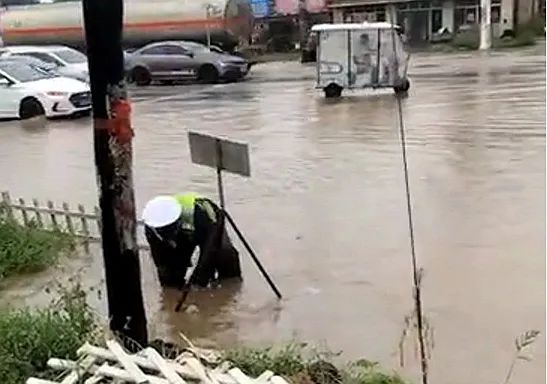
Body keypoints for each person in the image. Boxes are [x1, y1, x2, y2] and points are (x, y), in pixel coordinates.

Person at [142, 193, 242, 288]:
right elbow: (160, 261)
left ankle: (230, 290)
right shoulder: (151, 227)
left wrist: (197, 282)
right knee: (170, 274)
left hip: (205, 225)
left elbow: (210, 251)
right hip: (183, 234)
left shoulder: (201, 214)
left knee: (225, 255)